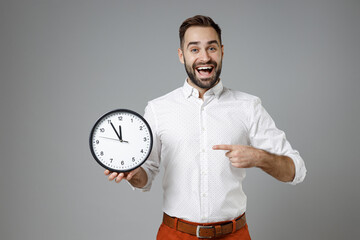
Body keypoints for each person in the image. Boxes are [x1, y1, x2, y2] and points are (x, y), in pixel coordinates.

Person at [104, 15, 306, 239]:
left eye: (211, 48)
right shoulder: (158, 109)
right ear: (182, 56)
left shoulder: (248, 107)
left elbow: (296, 171)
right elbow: (145, 177)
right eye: (194, 49)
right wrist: (133, 174)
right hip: (175, 235)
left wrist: (260, 158)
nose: (204, 57)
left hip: (234, 235)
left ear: (221, 51)